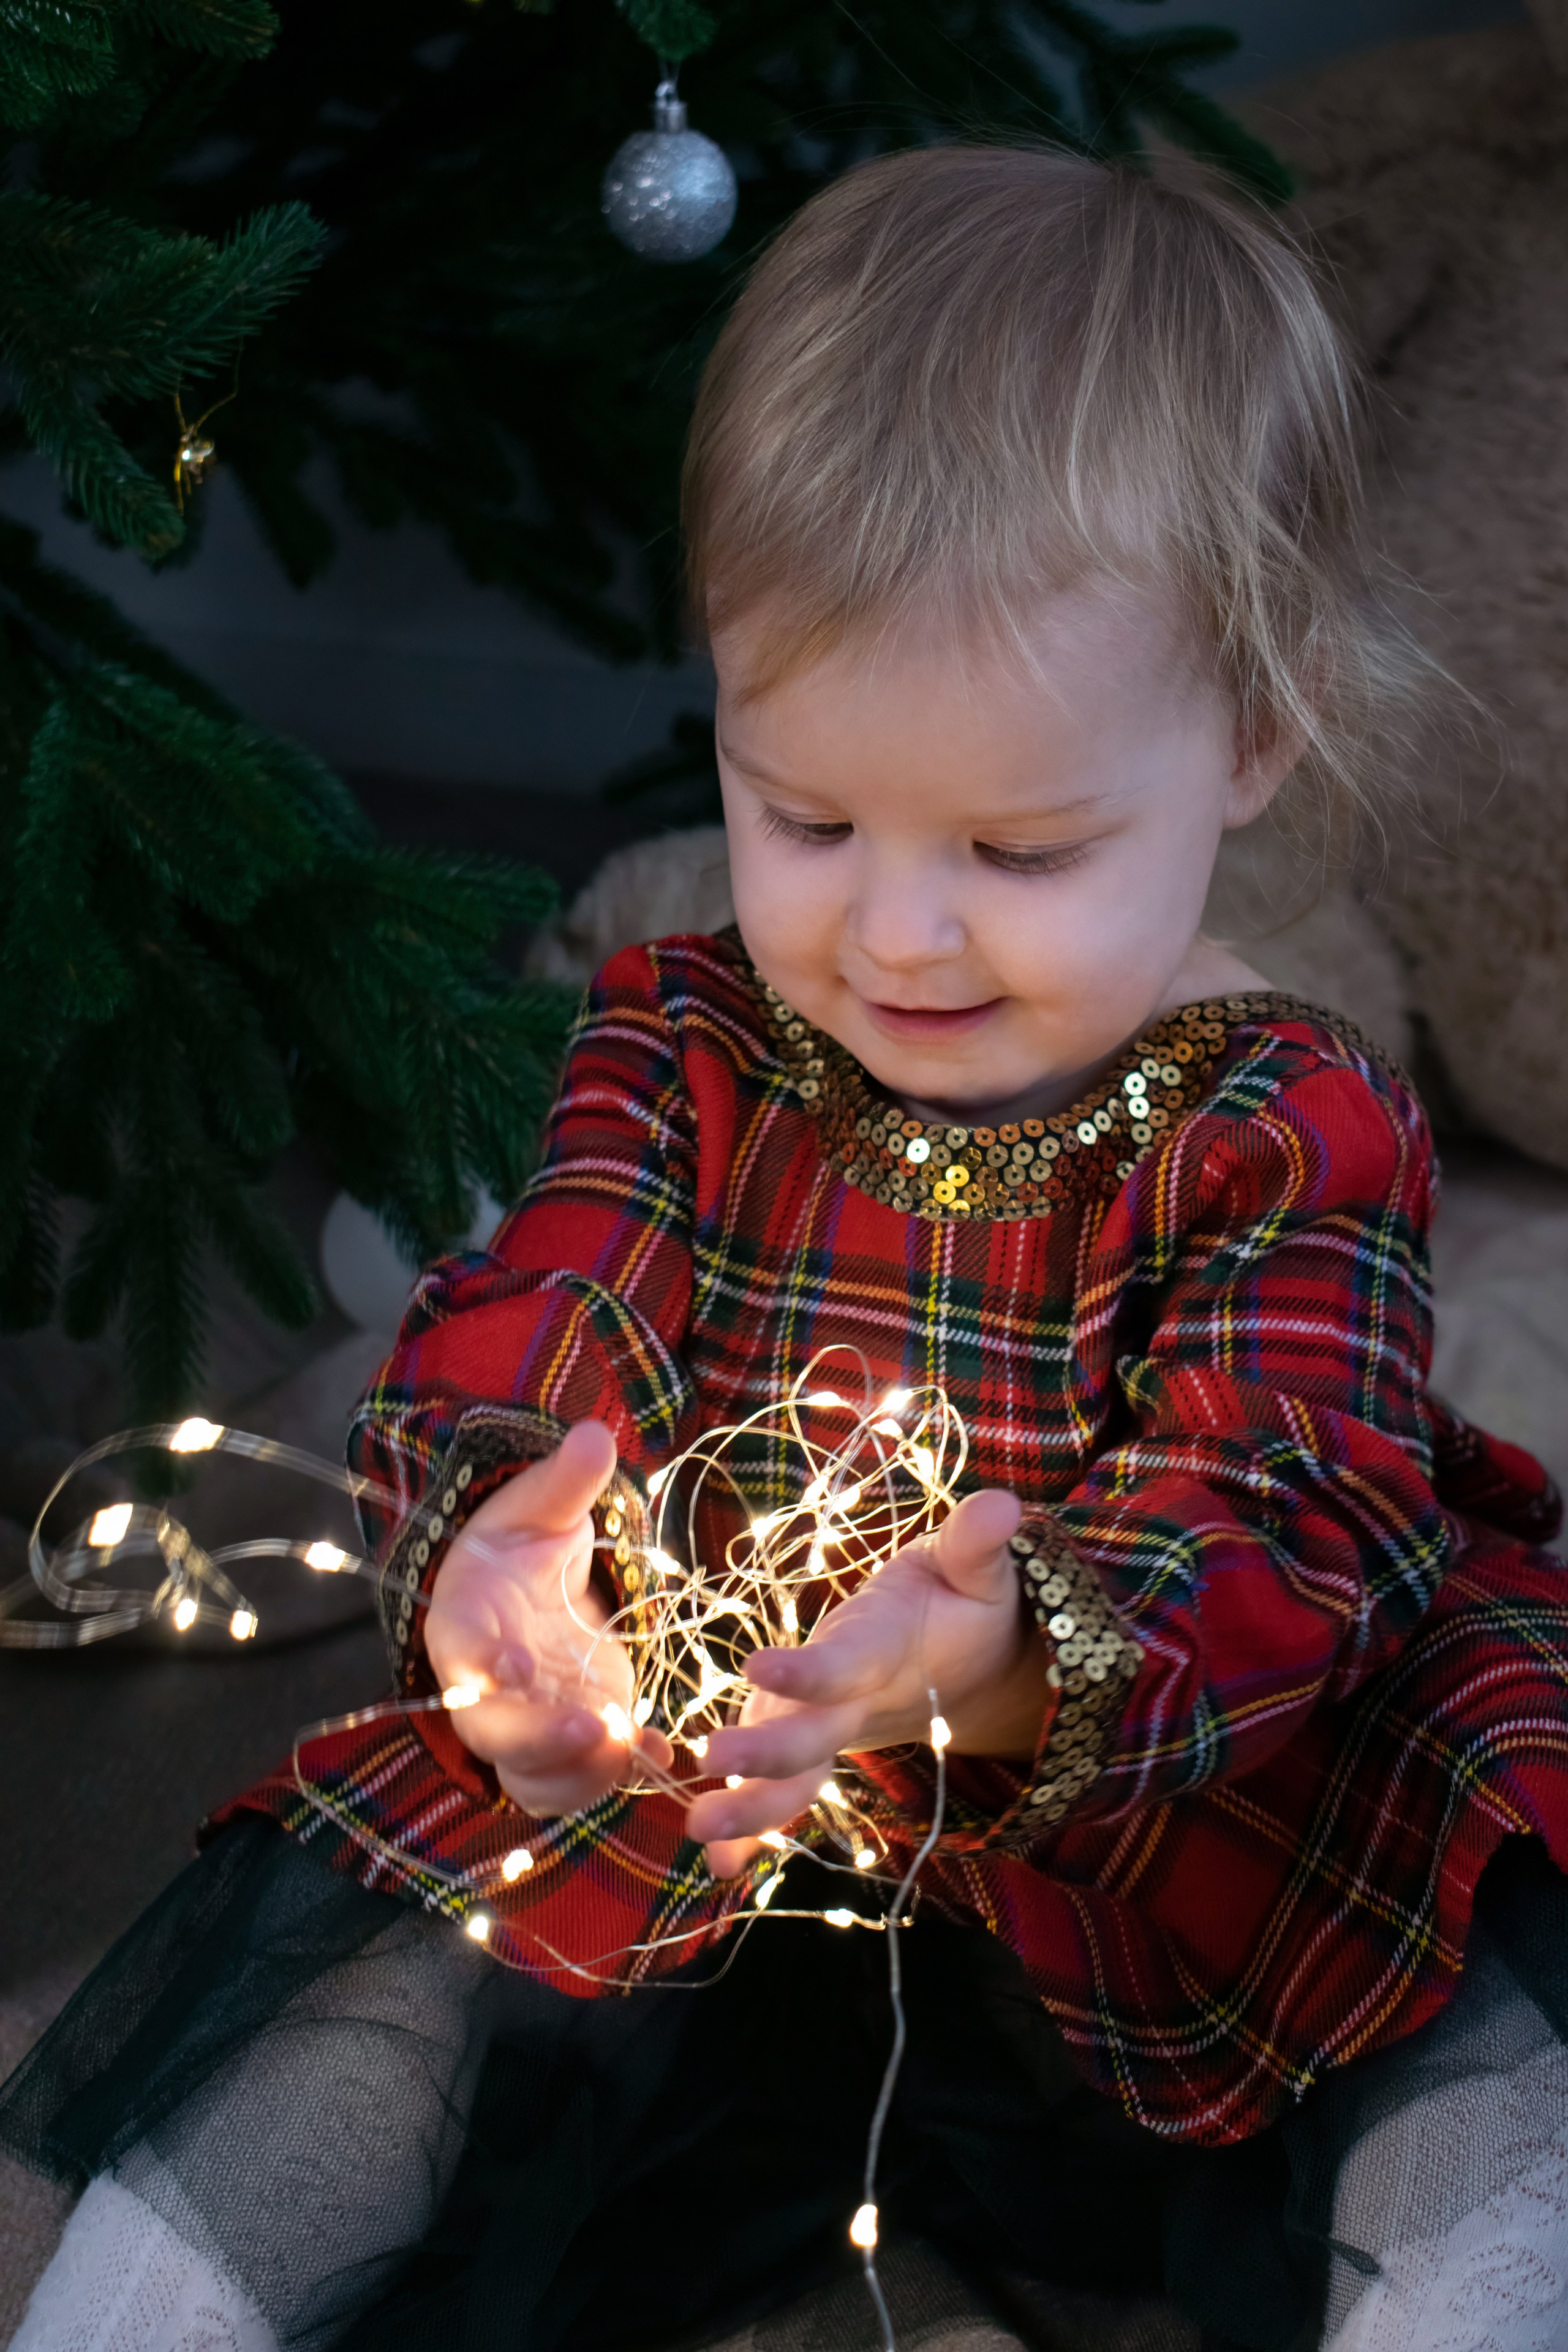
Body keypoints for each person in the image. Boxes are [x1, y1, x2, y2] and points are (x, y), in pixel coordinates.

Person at [7, 145, 1568, 2352]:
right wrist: (498, 1574)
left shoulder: (1280, 1122)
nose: (895, 931)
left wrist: (1025, 1648)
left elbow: (1288, 1504)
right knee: (402, 1937)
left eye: (1021, 849)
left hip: (1184, 1850)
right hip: (740, 1826)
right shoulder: (682, 1048)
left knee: (1471, 1964)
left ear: (1251, 732)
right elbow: (525, 1321)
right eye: (804, 815)